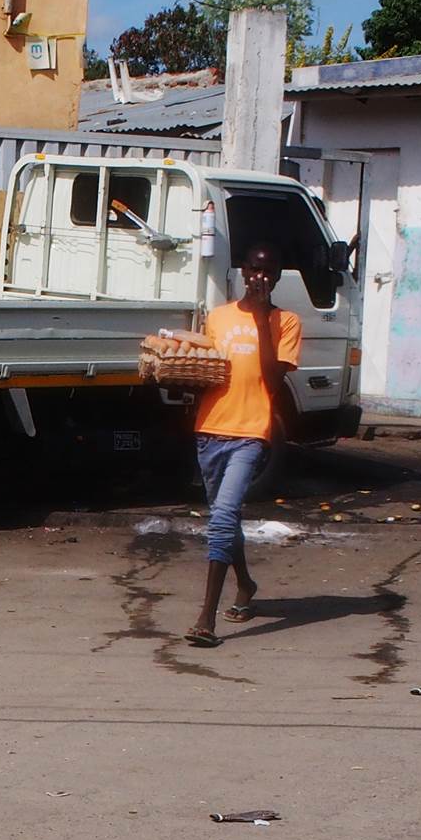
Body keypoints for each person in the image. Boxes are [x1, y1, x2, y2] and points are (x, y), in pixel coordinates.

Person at [185, 242, 301, 648]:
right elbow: (206, 370)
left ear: (276, 279)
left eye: (268, 273)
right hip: (211, 429)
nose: (259, 278)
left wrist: (262, 319)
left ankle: (206, 618)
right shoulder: (217, 319)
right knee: (225, 518)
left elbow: (272, 380)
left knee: (221, 518)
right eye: (254, 270)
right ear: (243, 271)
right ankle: (247, 584)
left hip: (251, 433)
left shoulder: (286, 323)